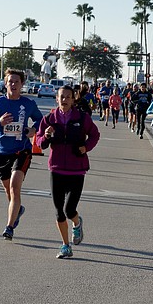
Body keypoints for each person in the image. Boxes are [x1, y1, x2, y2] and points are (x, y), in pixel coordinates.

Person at [35, 85, 100, 259]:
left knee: (70, 209)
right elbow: (39, 142)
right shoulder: (49, 119)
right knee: (59, 211)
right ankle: (65, 245)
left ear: (73, 99)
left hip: (76, 170)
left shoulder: (82, 118)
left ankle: (77, 223)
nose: (64, 100)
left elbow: (95, 135)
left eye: (68, 97)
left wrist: (86, 147)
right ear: (57, 99)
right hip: (56, 169)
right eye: (61, 97)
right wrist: (46, 136)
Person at [0, 69, 44, 240]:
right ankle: (18, 210)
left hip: (21, 150)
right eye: (10, 81)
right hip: (1, 153)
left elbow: (41, 120)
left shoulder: (28, 104)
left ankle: (9, 227)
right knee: (9, 192)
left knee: (15, 188)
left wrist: (33, 130)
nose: (13, 84)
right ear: (5, 84)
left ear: (22, 84)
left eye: (16, 82)